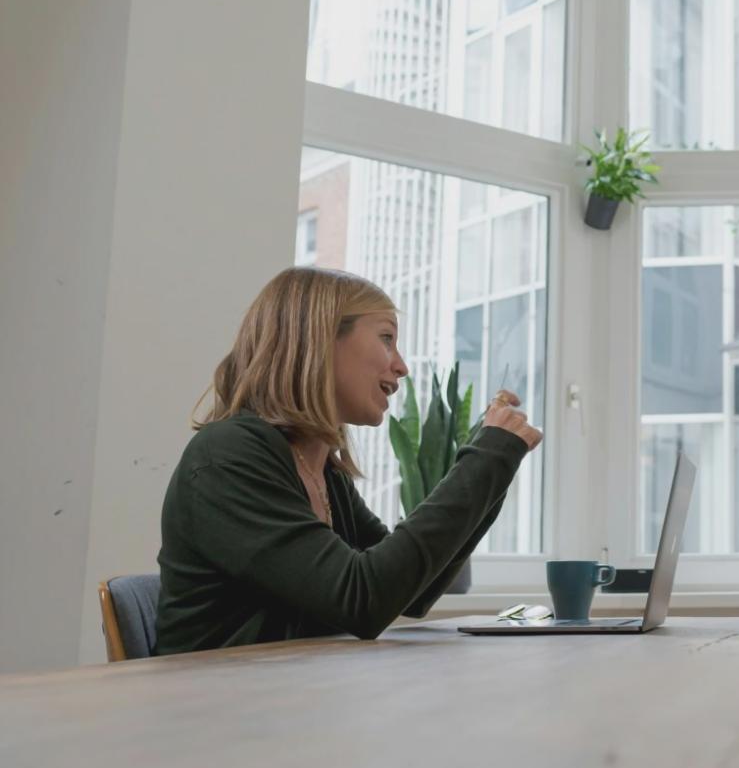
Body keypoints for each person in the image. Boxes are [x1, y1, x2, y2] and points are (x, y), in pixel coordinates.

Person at [155, 267, 543, 654]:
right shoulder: (228, 456)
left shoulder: (320, 468)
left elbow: (413, 592)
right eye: (386, 339)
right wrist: (485, 461)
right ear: (320, 340)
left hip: (287, 700)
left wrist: (495, 464)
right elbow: (362, 600)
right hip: (213, 707)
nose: (402, 366)